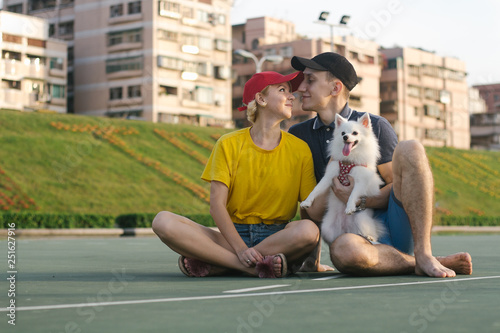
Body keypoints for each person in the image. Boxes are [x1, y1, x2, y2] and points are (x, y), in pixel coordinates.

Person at [288, 52, 473, 278]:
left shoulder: (375, 126)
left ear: (335, 88)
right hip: (352, 237)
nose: (300, 88)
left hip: (391, 227)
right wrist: (311, 261)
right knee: (344, 252)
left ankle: (424, 254)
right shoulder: (298, 135)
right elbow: (308, 203)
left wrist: (360, 199)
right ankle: (418, 263)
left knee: (411, 147)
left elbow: (399, 187)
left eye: (310, 80)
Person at [152, 71, 320, 278]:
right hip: (231, 236)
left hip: (278, 236)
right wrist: (241, 250)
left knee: (308, 231)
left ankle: (219, 263)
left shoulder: (300, 149)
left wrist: (313, 261)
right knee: (163, 221)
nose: (292, 96)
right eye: (283, 90)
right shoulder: (228, 143)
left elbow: (309, 208)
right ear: (261, 99)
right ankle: (248, 266)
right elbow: (216, 206)